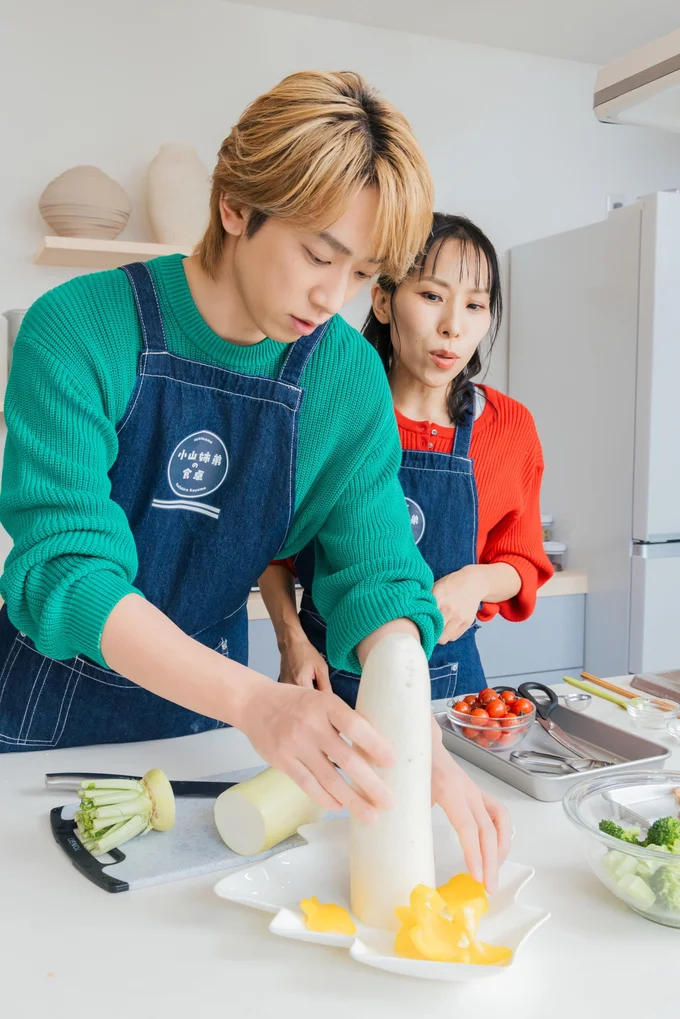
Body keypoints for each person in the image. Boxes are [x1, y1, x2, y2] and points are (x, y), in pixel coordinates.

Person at [0, 76, 508, 888]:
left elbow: (375, 578)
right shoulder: (77, 328)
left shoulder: (343, 377)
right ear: (235, 204)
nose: (330, 298)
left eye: (360, 273)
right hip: (50, 722)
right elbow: (67, 570)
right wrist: (257, 702)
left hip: (211, 719)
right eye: (317, 253)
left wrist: (418, 741)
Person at [260, 213, 553, 709]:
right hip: (329, 683)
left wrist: (475, 581)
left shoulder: (509, 426)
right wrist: (291, 640)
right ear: (383, 299)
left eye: (475, 305)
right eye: (432, 296)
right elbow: (270, 549)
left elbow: (523, 562)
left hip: (452, 687)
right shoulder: (329, 409)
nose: (453, 327)